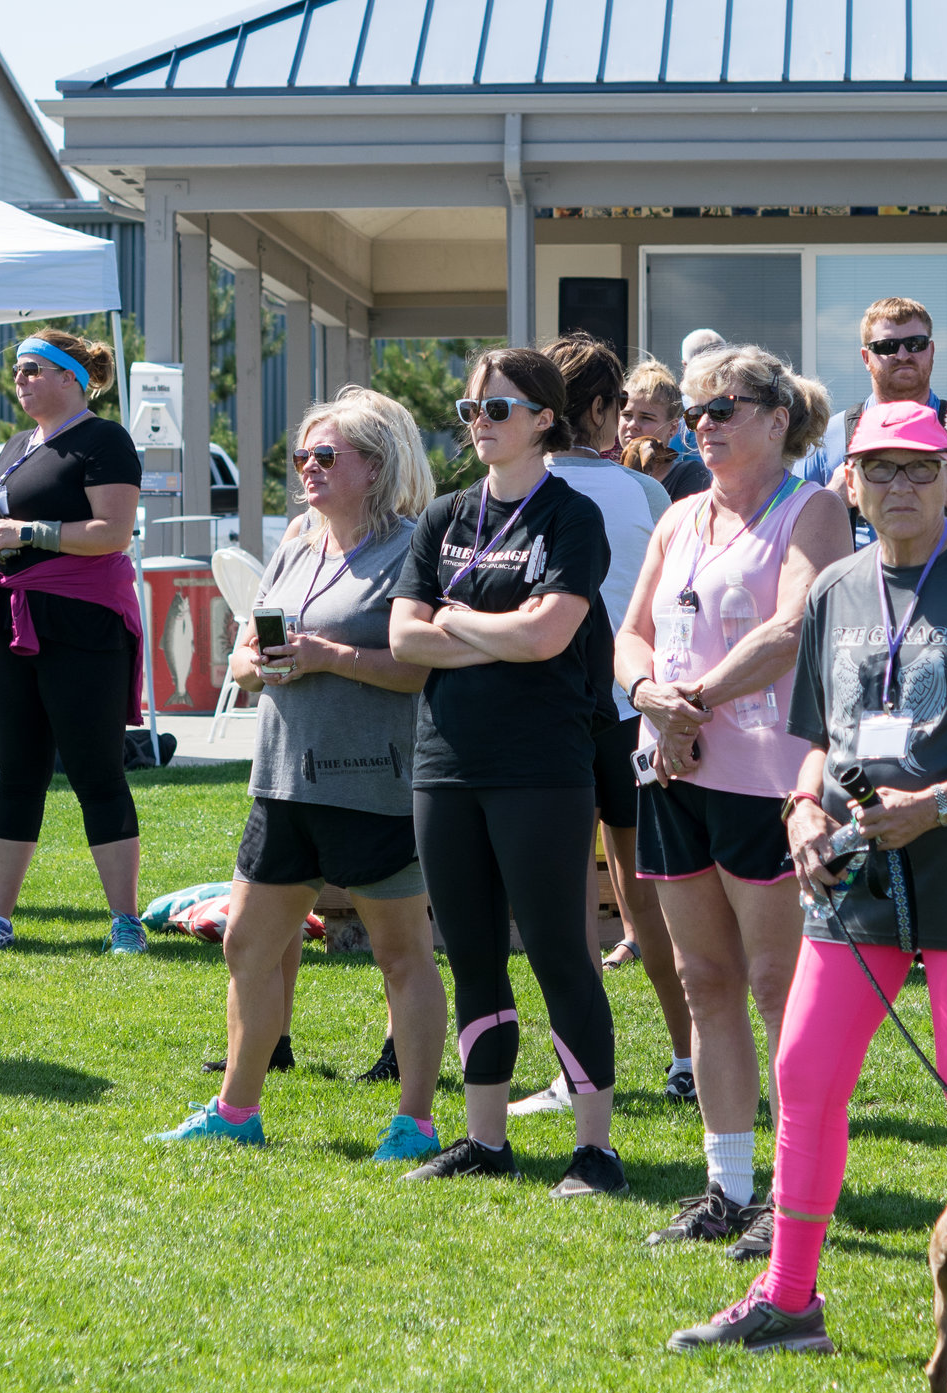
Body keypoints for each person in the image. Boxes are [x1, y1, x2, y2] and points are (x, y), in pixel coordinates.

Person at [668, 399, 947, 1356]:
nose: (900, 485)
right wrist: (802, 809)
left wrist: (935, 807)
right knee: (805, 1070)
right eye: (879, 469)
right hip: (855, 876)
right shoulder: (837, 588)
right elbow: (816, 742)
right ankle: (789, 1298)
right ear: (848, 483)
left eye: (919, 468)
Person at [150, 387, 450, 1160]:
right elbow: (249, 646)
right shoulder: (296, 540)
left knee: (400, 955)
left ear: (375, 466)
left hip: (373, 785)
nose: (308, 470)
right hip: (282, 781)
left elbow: (421, 667)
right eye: (302, 458)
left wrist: (326, 656)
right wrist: (252, 662)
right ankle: (236, 1109)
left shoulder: (414, 547)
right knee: (247, 943)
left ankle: (414, 1123)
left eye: (326, 456)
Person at [616, 343, 850, 1249]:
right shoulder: (679, 517)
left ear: (777, 417)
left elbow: (795, 627)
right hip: (673, 774)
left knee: (774, 983)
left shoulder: (813, 508)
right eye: (696, 411)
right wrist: (650, 701)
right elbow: (629, 635)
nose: (701, 424)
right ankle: (728, 1186)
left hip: (765, 779)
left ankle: (795, 1193)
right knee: (703, 979)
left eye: (723, 409)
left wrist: (692, 703)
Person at [387, 346, 627, 1197]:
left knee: (561, 949)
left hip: (541, 767)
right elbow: (402, 639)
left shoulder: (571, 517)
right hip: (445, 765)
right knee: (474, 954)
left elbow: (548, 637)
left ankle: (594, 1147)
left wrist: (460, 624)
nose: (479, 424)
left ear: (544, 420)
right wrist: (495, 629)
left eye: (498, 408)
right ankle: (485, 1139)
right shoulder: (444, 516)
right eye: (471, 410)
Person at [507, 331, 686, 1119]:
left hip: (546, 714)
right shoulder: (645, 494)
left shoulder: (518, 485)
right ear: (607, 409)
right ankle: (688, 1057)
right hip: (628, 712)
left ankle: (576, 1071)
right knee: (650, 900)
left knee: (570, 906)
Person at [0, 330, 148, 955]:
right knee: (18, 774)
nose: (21, 379)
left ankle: (124, 920)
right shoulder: (15, 447)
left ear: (71, 378)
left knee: (97, 770)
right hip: (15, 623)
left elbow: (113, 532)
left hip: (81, 622)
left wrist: (29, 527)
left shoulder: (103, 439)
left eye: (34, 369)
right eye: (17, 370)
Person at [790, 296, 947, 497]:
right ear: (866, 358)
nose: (903, 356)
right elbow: (792, 522)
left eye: (915, 344)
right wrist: (833, 497)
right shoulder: (828, 439)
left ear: (931, 351)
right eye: (887, 346)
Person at [620, 359, 711, 501]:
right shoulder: (609, 472)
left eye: (646, 418)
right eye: (626, 415)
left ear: (673, 427)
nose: (632, 424)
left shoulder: (690, 474)